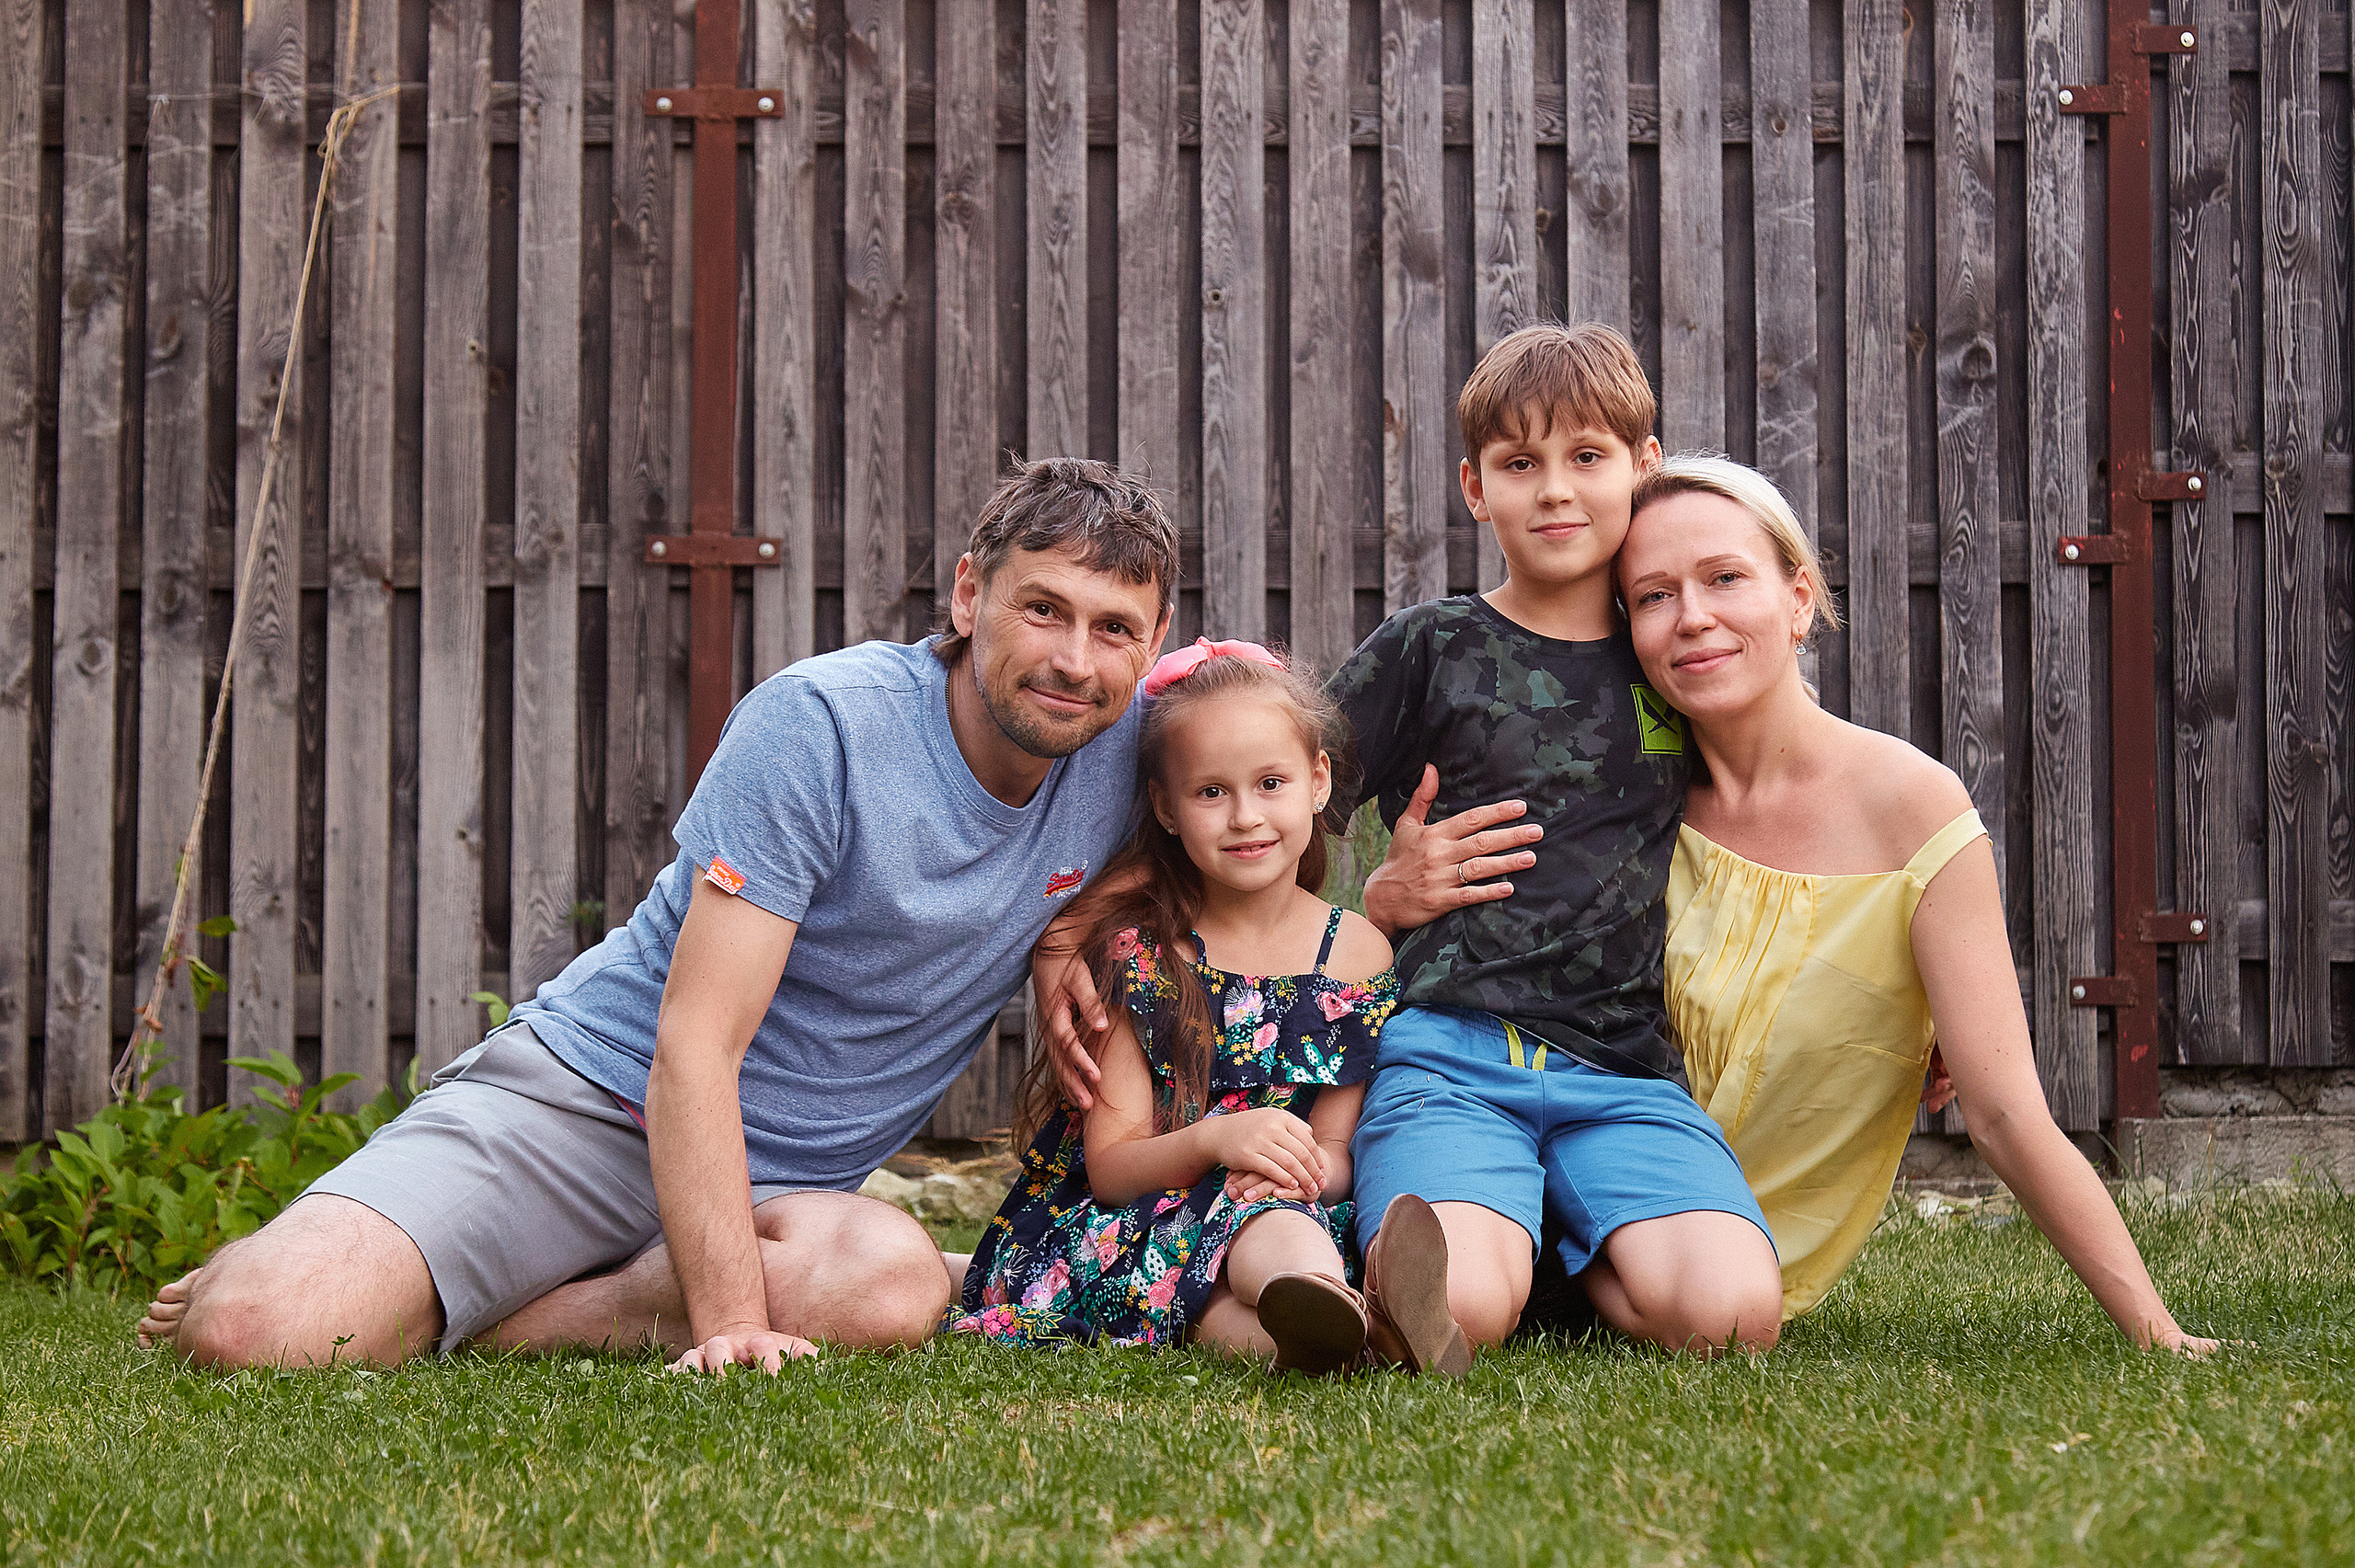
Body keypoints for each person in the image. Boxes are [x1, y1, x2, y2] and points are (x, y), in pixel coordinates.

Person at [137, 457, 1178, 1374]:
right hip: (594, 1104)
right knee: (251, 1333)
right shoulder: (824, 726)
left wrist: (1071, 925)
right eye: (1043, 609)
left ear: (1154, 642)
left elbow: (1259, 731)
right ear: (968, 592)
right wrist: (733, 1325)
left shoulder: (1135, 749)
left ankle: (546, 1306)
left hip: (781, 1191)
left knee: (888, 1284)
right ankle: (349, 1268)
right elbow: (693, 1043)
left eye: (1114, 629)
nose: (1074, 659)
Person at [1047, 322, 1786, 1360]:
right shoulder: (1432, 648)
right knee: (1461, 1307)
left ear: (1643, 466)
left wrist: (1907, 994)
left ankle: (1562, 1257)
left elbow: (1784, 812)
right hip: (1449, 1053)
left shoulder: (1672, 650)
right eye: (1519, 464)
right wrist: (1076, 928)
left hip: (1621, 1067)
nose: (1556, 491)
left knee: (1732, 1319)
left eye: (1587, 456)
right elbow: (1273, 791)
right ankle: (1490, 1261)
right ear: (1475, 488)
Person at [1615, 454, 2216, 1351]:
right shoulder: (1620, 800)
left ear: (1798, 598)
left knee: (1724, 1316)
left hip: (1730, 1259)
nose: (1692, 615)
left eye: (1725, 577)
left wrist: (2154, 1328)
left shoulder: (1910, 806)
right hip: (1591, 1172)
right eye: (1654, 596)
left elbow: (2005, 1113)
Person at [950, 641, 1404, 1374]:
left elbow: (1336, 1147)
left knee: (1260, 1237)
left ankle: (1331, 1322)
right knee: (1241, 1248)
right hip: (1141, 1225)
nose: (1245, 816)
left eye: (1271, 783)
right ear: (1166, 807)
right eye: (1211, 792)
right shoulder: (1146, 955)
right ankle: (1359, 1321)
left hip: (1283, 1208)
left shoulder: (1357, 956)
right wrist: (1220, 1141)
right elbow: (1111, 1166)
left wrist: (1290, 1170)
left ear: (1318, 781)